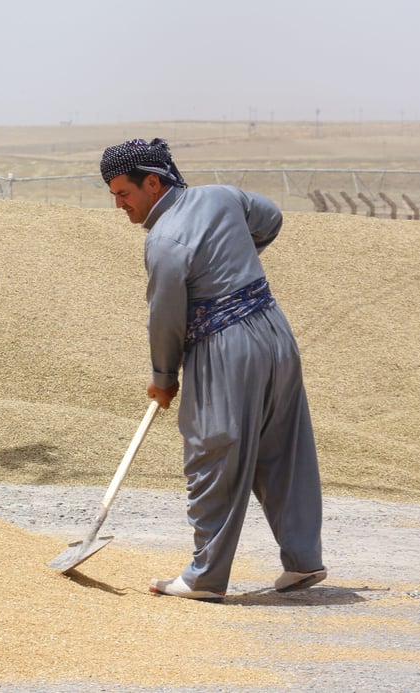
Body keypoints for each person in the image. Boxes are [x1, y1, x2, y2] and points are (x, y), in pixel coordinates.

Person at [100, 138, 326, 602]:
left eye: (124, 193)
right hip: (275, 332)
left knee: (213, 450)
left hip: (225, 347)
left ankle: (204, 577)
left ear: (152, 181)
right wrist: (232, 258)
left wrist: (163, 378)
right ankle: (303, 560)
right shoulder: (223, 196)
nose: (119, 205)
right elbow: (271, 218)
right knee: (284, 448)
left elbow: (165, 316)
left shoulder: (164, 241)